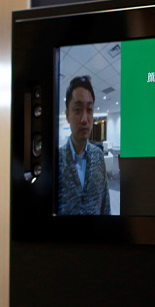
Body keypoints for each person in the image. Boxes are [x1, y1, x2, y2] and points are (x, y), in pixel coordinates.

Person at [57, 75, 111, 215]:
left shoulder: (98, 156)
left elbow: (105, 206)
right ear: (67, 115)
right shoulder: (56, 160)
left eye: (89, 110)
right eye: (78, 110)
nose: (84, 119)